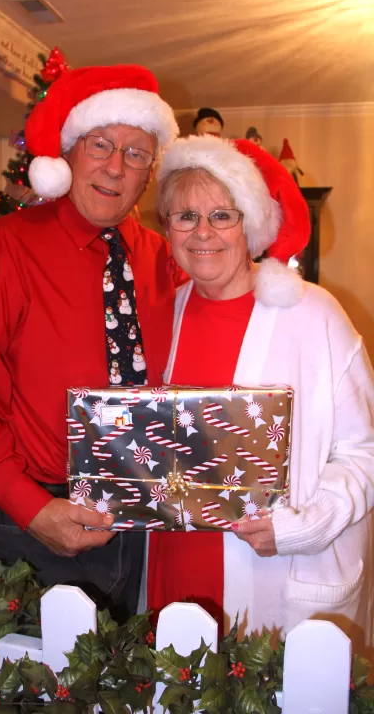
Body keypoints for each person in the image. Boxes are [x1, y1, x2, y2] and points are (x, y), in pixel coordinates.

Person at [0, 64, 180, 620]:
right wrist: (31, 507)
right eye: (100, 145)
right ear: (68, 153)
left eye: (135, 153)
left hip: (145, 520)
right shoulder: (4, 248)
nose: (115, 166)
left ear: (149, 174)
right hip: (36, 521)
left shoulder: (165, 259)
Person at [148, 134, 374, 653]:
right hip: (177, 566)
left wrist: (301, 527)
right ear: (167, 228)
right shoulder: (166, 313)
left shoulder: (314, 315)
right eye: (185, 216)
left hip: (276, 572)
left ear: (249, 224)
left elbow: (365, 452)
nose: (203, 232)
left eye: (221, 216)